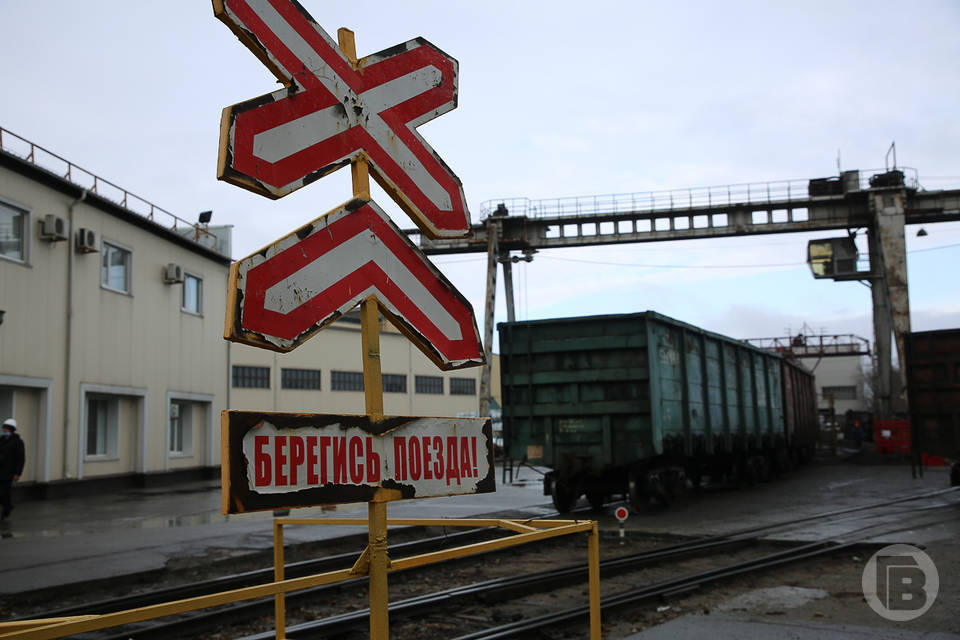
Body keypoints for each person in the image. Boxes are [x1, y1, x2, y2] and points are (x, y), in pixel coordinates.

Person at [0, 418, 25, 520]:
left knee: (4, 492)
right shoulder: (1, 440)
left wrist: (17, 473)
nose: (4, 430)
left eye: (6, 428)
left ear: (11, 429)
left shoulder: (17, 442)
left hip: (8, 472)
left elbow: (21, 458)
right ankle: (7, 506)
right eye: (3, 428)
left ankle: (7, 508)